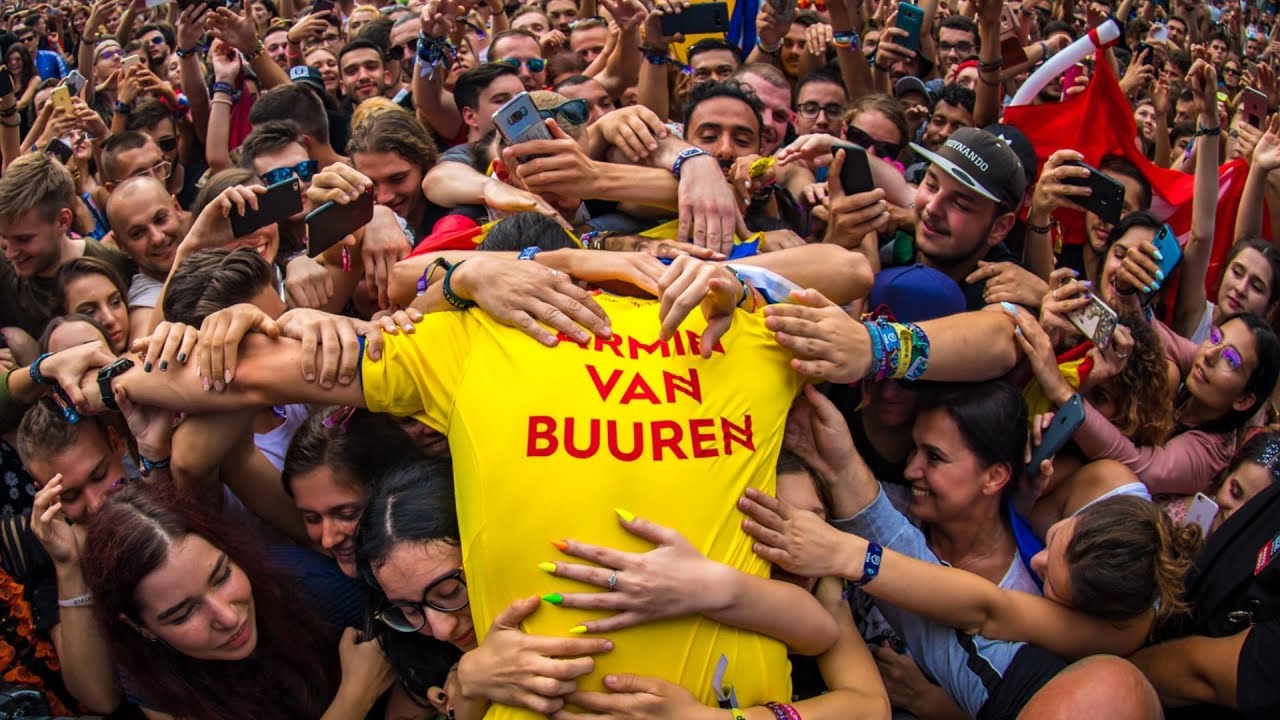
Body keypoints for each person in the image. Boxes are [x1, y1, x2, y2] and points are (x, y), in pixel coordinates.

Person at [76, 484, 394, 719]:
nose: (227, 618)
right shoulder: (148, 670)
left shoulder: (318, 591)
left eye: (221, 576)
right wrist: (354, 699)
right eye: (183, 613)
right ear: (139, 627)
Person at [0, 152, 135, 338]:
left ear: (63, 221)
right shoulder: (6, 273)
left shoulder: (115, 262)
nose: (11, 253)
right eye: (4, 239)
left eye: (23, 240)